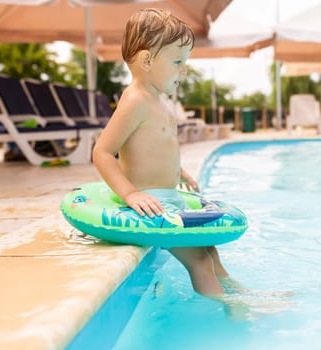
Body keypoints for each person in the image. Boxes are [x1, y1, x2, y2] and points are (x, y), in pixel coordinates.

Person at [92, 8, 237, 300]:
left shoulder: (158, 98)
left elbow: (160, 145)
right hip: (152, 205)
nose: (184, 70)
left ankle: (238, 293)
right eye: (178, 62)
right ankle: (231, 308)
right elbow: (103, 152)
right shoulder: (135, 100)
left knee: (209, 251)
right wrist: (131, 194)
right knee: (199, 261)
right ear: (147, 60)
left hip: (169, 198)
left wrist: (179, 172)